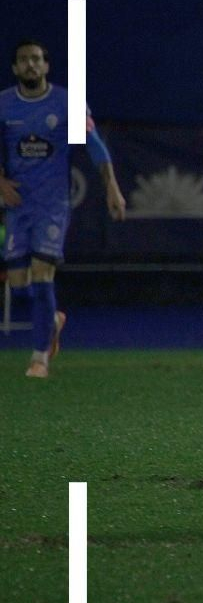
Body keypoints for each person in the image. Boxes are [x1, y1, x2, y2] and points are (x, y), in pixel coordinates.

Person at [1, 40, 126, 378]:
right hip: (16, 205)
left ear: (46, 66)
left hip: (52, 204)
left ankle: (39, 356)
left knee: (43, 273)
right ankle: (52, 319)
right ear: (14, 68)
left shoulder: (66, 103)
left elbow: (94, 145)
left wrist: (111, 186)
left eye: (37, 59)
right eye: (24, 60)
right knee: (18, 285)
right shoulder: (4, 105)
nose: (31, 65)